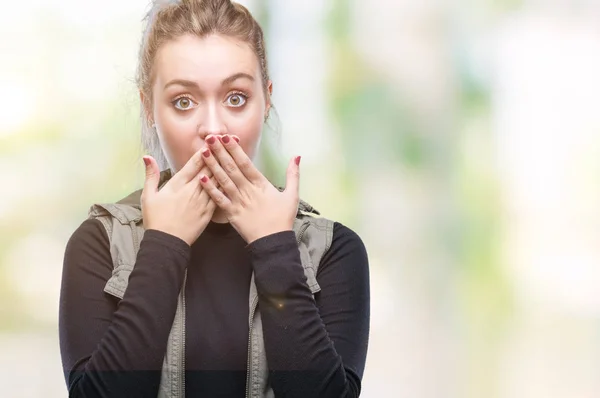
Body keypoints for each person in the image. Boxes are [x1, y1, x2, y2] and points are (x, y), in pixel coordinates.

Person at [58, 0, 370, 397]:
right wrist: (163, 247)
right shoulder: (100, 242)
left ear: (267, 99)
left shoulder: (332, 250)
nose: (213, 128)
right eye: (183, 101)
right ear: (149, 108)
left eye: (236, 97)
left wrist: (275, 247)